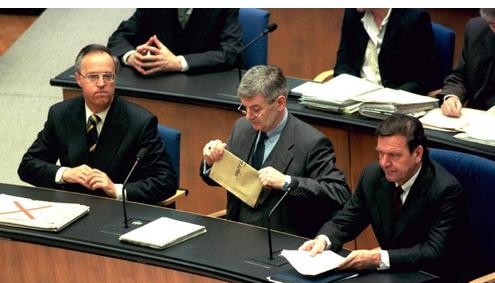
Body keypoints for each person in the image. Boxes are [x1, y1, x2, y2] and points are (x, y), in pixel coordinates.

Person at [299, 114, 473, 283]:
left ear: (417, 153)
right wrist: (324, 239)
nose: (384, 163)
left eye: (393, 155)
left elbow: (434, 252)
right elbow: (348, 218)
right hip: (393, 276)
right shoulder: (373, 176)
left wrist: (378, 258)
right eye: (380, 153)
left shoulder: (446, 190)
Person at [200, 65, 351, 238]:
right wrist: (211, 161)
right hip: (237, 235)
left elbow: (339, 193)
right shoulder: (242, 127)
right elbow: (225, 177)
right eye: (244, 107)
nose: (248, 116)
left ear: (280, 103)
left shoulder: (311, 142)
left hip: (282, 241)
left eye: (256, 109)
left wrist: (287, 182)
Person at [18, 44, 177, 205]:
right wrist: (66, 173)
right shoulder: (60, 114)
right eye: (93, 76)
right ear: (79, 79)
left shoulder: (140, 122)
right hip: (73, 207)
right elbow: (28, 166)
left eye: (108, 76)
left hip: (117, 211)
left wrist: (116, 189)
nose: (101, 83)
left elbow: (166, 181)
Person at [334, 8, 439, 95]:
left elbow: (423, 78)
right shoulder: (353, 13)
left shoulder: (415, 19)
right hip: (355, 98)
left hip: (394, 103)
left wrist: (388, 96)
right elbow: (343, 62)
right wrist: (349, 87)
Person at [107, 9, 243, 75]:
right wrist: (131, 56)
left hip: (204, 82)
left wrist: (179, 63)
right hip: (156, 82)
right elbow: (119, 37)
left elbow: (230, 52)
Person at [439, 8, 495, 117]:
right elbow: (460, 76)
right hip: (473, 119)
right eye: (493, 25)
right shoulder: (476, 29)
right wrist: (452, 97)